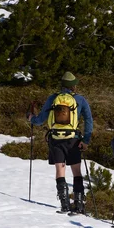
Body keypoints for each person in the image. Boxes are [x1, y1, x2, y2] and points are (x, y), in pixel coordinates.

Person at [30, 72, 94, 214]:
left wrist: (31, 118)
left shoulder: (53, 98)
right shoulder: (80, 99)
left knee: (60, 170)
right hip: (73, 139)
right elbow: (89, 120)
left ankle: (64, 205)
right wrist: (86, 140)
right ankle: (79, 205)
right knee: (76, 171)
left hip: (56, 139)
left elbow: (40, 120)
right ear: (74, 86)